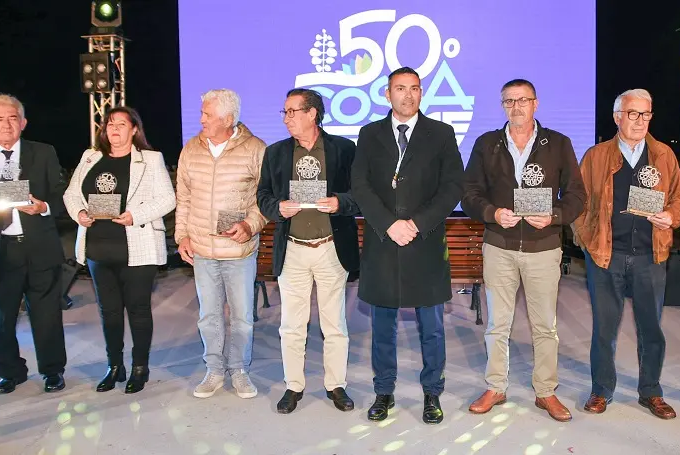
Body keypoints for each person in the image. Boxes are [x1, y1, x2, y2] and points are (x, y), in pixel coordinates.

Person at [461, 79, 586, 421]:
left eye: (522, 100)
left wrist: (555, 216)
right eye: (509, 101)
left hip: (543, 248)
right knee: (497, 325)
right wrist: (492, 213)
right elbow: (469, 193)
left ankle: (546, 392)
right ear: (502, 105)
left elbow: (577, 195)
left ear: (536, 103)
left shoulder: (558, 144)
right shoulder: (487, 144)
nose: (516, 107)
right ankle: (496, 386)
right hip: (499, 246)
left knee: (545, 325)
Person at [351, 67, 464, 425]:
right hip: (383, 243)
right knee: (382, 328)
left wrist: (415, 224)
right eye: (400, 88)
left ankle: (433, 393)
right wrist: (389, 224)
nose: (408, 95)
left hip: (424, 243)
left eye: (414, 88)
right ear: (387, 94)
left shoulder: (441, 134)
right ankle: (384, 392)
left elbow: (452, 188)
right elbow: (360, 186)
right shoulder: (369, 134)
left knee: (431, 328)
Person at [573, 89, 680, 419]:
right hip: (606, 256)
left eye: (646, 114)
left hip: (650, 257)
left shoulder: (663, 155)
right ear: (617, 117)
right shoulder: (596, 156)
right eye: (634, 114)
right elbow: (578, 203)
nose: (641, 121)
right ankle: (601, 389)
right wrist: (586, 239)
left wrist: (672, 216)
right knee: (604, 330)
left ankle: (651, 391)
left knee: (651, 329)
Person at [256, 88, 359, 414]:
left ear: (312, 113)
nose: (286, 118)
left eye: (292, 111)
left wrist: (340, 202)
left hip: (331, 248)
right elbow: (262, 196)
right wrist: (278, 208)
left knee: (335, 324)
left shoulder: (343, 149)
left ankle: (336, 385)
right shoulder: (275, 153)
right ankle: (293, 386)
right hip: (293, 250)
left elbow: (361, 194)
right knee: (292, 324)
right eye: (284, 112)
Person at [0, 94, 67, 394]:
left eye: (13, 118)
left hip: (38, 246)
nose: (7, 125)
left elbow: (61, 195)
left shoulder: (43, 153)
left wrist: (43, 206)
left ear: (23, 122)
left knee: (46, 315)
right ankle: (10, 372)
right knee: (1, 317)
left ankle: (52, 370)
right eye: (0, 119)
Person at [63, 106, 175, 394]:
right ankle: (114, 366)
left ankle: (140, 367)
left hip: (137, 246)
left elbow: (167, 200)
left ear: (134, 129)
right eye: (110, 124)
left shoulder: (150, 159)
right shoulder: (90, 157)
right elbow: (72, 194)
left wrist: (134, 215)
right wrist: (80, 213)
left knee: (138, 310)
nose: (114, 129)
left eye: (121, 124)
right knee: (109, 312)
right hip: (98, 248)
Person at [175, 89, 267, 399]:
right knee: (208, 316)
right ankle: (213, 370)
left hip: (238, 251)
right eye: (201, 113)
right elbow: (183, 198)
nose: (200, 119)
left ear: (228, 119)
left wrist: (250, 225)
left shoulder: (255, 149)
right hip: (202, 249)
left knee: (241, 316)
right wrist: (182, 236)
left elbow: (264, 200)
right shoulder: (191, 149)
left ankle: (239, 370)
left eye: (207, 114)